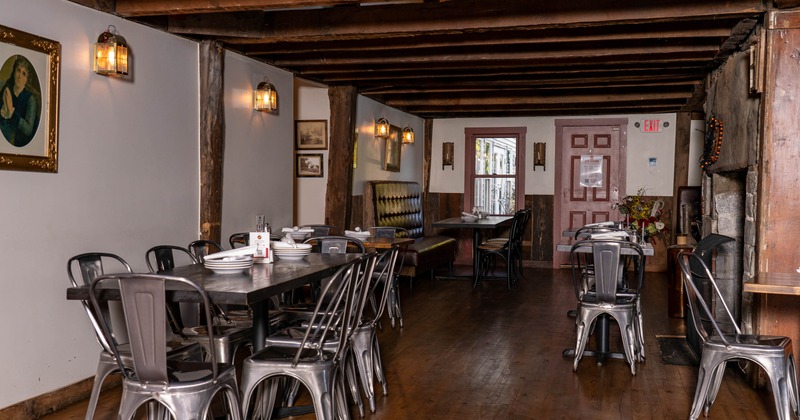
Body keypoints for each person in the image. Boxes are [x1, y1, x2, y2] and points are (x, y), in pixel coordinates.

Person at [0, 55, 39, 147]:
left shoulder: (30, 99)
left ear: (27, 80)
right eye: (18, 70)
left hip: (20, 142)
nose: (19, 76)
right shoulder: (6, 90)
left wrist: (11, 113)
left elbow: (28, 130)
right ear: (14, 72)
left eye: (24, 73)